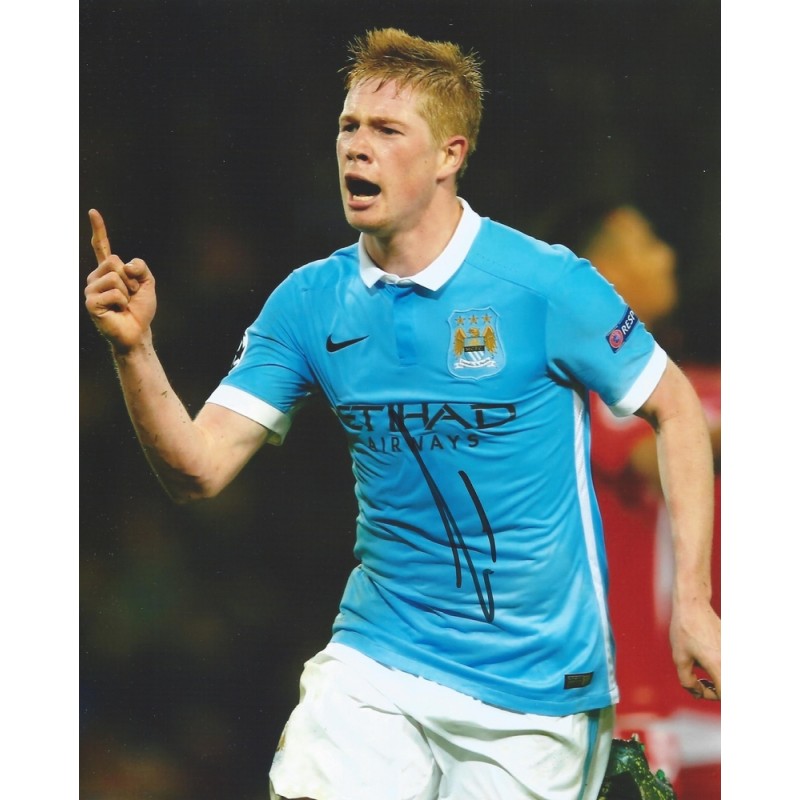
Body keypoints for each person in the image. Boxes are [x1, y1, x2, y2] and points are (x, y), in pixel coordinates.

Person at [84, 28, 720, 800]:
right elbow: (198, 469)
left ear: (450, 154)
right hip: (380, 657)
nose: (358, 147)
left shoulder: (543, 285)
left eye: (387, 130)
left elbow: (676, 408)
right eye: (349, 126)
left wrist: (694, 606)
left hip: (536, 685)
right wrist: (134, 350)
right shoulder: (309, 302)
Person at [542, 201, 722, 798]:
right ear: (602, 272)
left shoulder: (690, 388)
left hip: (697, 685)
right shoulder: (587, 388)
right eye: (646, 244)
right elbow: (658, 453)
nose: (666, 258)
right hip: (623, 691)